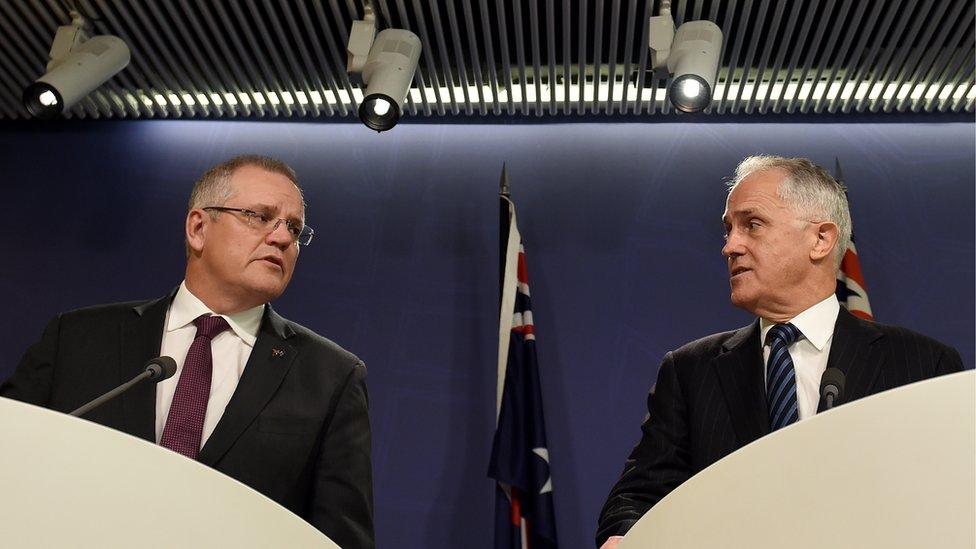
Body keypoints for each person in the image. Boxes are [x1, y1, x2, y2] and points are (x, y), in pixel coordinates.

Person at [1, 155, 374, 549]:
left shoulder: (331, 376)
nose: (282, 238)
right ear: (198, 228)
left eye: (294, 228)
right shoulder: (77, 339)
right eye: (260, 216)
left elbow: (342, 538)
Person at [596, 155, 964, 548]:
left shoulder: (922, 364)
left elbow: (952, 495)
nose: (730, 247)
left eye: (752, 225)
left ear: (820, 239)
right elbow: (638, 494)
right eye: (728, 230)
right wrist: (624, 535)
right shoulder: (690, 371)